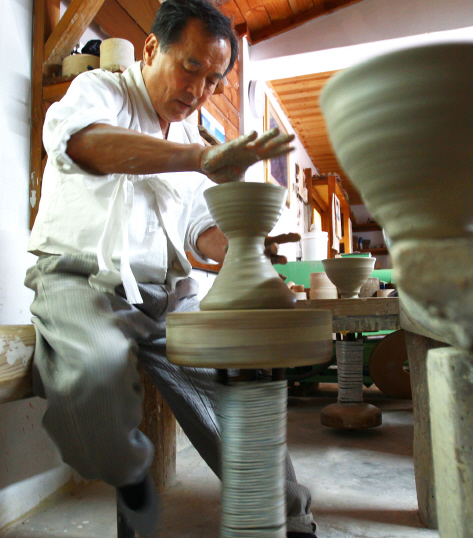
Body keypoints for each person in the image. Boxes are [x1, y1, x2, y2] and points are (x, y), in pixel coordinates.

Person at [25, 1, 317, 537]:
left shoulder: (190, 138)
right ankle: (135, 504)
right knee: (95, 373)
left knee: (236, 389)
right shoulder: (101, 92)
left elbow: (199, 232)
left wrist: (246, 253)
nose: (199, 89)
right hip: (79, 280)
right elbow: (85, 146)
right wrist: (200, 161)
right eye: (191, 67)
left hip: (165, 295)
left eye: (213, 80)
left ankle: (292, 520)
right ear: (153, 49)